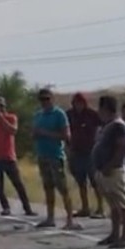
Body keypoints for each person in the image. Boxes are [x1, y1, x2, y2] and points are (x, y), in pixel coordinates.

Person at [33, 88, 80, 230]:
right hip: (42, 154)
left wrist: (45, 133)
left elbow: (66, 136)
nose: (44, 102)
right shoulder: (38, 115)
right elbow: (34, 133)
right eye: (42, 99)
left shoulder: (59, 114)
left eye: (47, 99)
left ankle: (70, 219)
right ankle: (50, 217)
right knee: (48, 188)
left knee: (63, 188)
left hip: (55, 155)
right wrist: (35, 134)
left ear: (52, 99)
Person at [93, 96, 125, 248]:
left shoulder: (118, 126)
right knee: (114, 205)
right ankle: (114, 234)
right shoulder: (106, 125)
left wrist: (111, 165)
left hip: (114, 170)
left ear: (105, 109)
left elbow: (122, 148)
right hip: (103, 170)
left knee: (123, 204)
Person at [0, 96, 36, 217]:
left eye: (1, 107)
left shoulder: (11, 117)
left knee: (18, 183)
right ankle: (5, 207)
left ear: (5, 107)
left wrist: (1, 119)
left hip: (9, 156)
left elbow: (13, 130)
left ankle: (27, 208)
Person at [66, 93, 103, 218]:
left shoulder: (92, 114)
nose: (78, 105)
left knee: (95, 181)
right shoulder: (70, 114)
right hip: (76, 151)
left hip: (90, 152)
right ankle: (85, 207)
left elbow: (102, 126)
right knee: (81, 181)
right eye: (76, 102)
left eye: (80, 102)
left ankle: (100, 208)